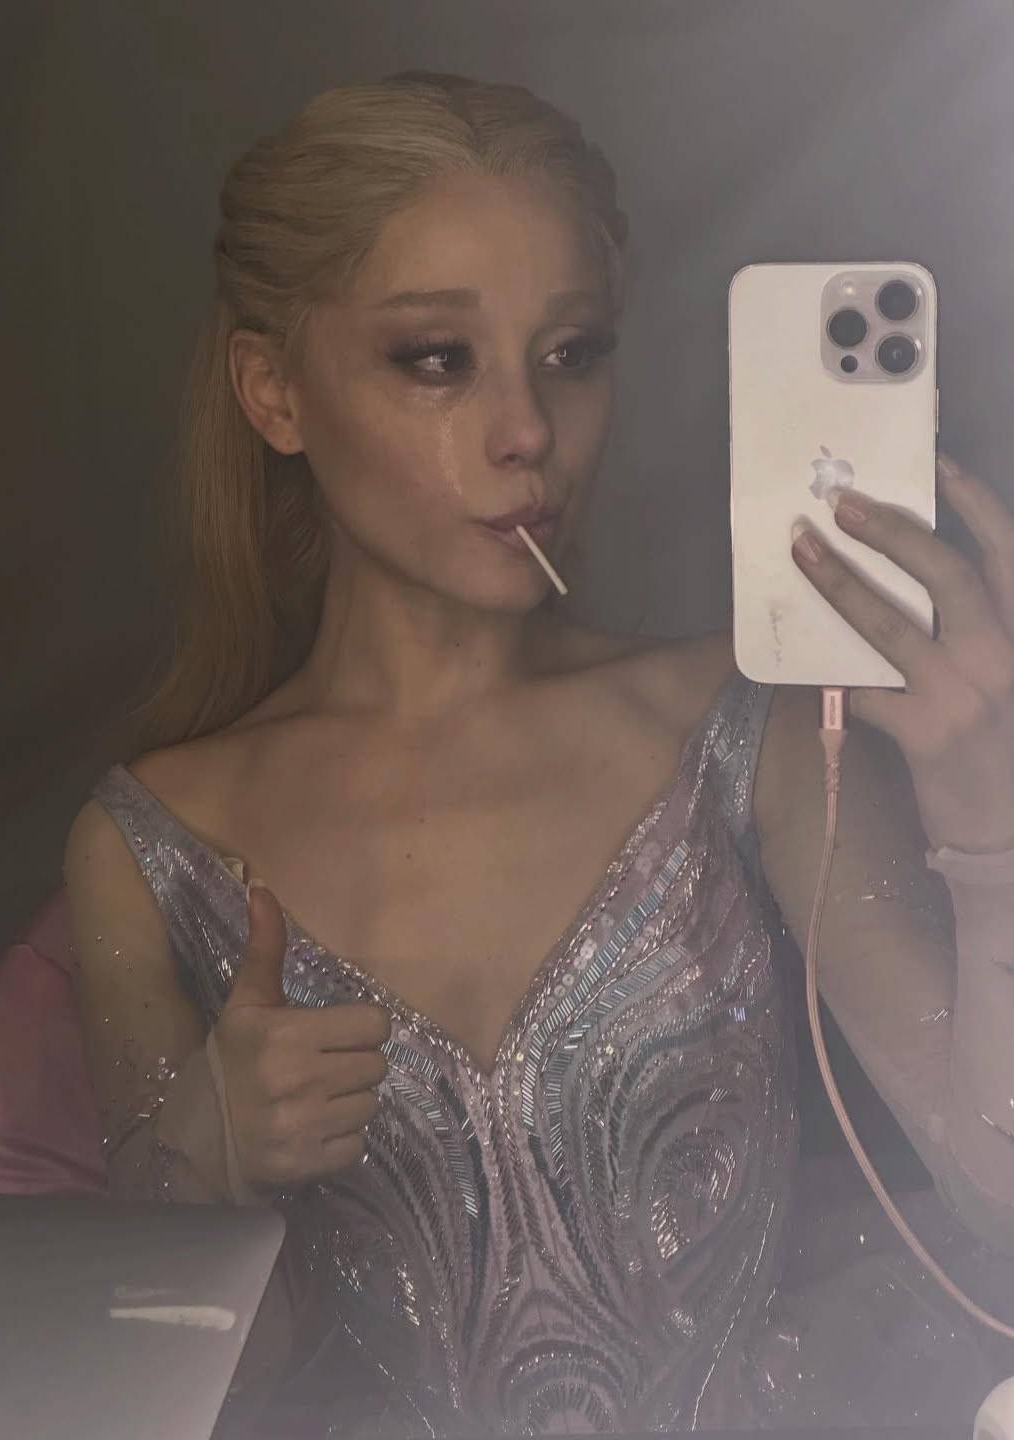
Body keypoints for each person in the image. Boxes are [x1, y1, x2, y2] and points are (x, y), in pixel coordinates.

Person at [61, 70, 1014, 1436]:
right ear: (274, 392)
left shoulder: (743, 730)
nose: (528, 433)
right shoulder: (150, 844)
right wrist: (212, 1155)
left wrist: (991, 830)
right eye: (435, 358)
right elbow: (207, 1388)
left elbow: (997, 1196)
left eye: (571, 353)